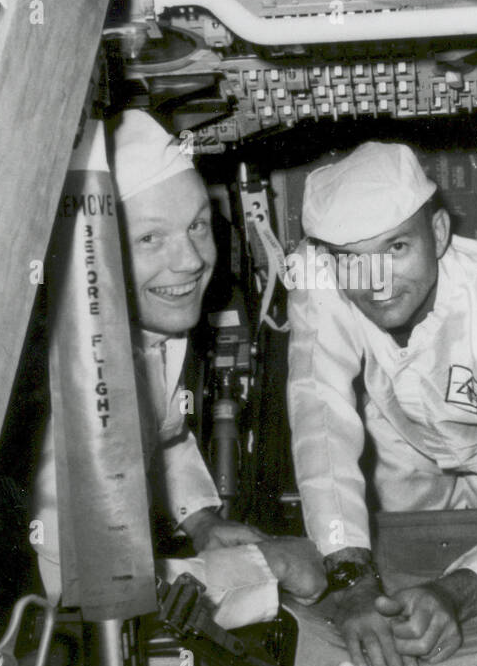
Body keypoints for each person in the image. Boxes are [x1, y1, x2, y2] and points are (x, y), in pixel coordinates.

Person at [286, 140, 477, 666]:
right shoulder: (319, 274)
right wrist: (352, 583)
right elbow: (321, 421)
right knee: (391, 608)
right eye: (353, 259)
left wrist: (455, 593)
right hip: (397, 442)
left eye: (397, 247)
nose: (375, 279)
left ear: (441, 235)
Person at [34, 110, 324, 624]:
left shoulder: (152, 323)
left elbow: (163, 432)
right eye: (150, 238)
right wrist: (266, 565)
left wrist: (201, 519)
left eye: (197, 226)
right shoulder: (63, 383)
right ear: (90, 254)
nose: (190, 260)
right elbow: (85, 592)